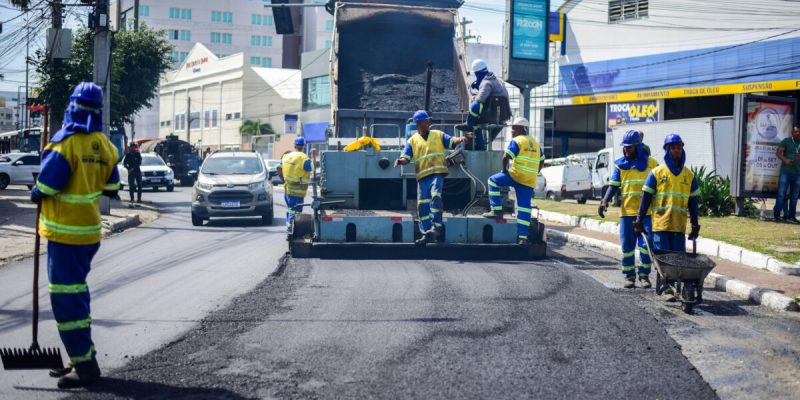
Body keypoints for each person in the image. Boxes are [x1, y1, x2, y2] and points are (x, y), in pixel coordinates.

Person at [30, 82, 120, 388]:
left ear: (72, 105)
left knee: (67, 303)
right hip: (89, 234)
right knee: (77, 296)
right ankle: (82, 355)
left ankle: (84, 366)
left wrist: (36, 190)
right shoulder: (106, 145)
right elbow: (112, 188)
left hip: (63, 234)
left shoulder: (64, 143)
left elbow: (46, 187)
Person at [634, 134, 700, 295]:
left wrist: (695, 224)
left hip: (679, 226)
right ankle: (666, 288)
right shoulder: (656, 173)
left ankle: (673, 287)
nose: (677, 150)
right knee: (663, 259)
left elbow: (693, 203)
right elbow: (646, 199)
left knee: (678, 260)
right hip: (660, 225)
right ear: (667, 150)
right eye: (673, 148)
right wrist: (639, 220)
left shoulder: (689, 176)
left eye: (679, 147)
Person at [396, 110, 468, 245]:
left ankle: (436, 227)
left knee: (436, 196)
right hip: (422, 176)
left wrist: (461, 139)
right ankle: (426, 233)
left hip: (437, 173)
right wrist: (401, 161)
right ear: (417, 124)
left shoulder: (438, 135)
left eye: (426, 121)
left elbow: (451, 141)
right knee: (422, 205)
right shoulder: (412, 140)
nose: (426, 124)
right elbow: (406, 156)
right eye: (422, 122)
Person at [598, 130, 658, 289]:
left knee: (646, 247)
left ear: (638, 146)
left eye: (630, 147)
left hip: (646, 214)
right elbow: (613, 186)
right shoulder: (620, 164)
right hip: (627, 214)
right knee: (627, 248)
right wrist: (604, 201)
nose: (626, 150)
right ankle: (629, 276)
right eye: (624, 147)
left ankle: (644, 275)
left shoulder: (652, 163)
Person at [482, 117, 543, 246]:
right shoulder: (536, 143)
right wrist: (536, 172)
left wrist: (504, 170)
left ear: (522, 128)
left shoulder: (517, 141)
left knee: (492, 181)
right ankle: (522, 238)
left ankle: (497, 210)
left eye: (514, 127)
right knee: (524, 209)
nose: (512, 130)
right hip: (529, 181)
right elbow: (542, 159)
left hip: (515, 176)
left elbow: (506, 157)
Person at [456, 59, 509, 150]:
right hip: (503, 114)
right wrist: (478, 85)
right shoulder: (497, 80)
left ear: (478, 73)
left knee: (475, 105)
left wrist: (475, 95)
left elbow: (481, 99)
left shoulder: (487, 83)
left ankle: (479, 143)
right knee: (477, 122)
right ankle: (479, 142)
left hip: (493, 114)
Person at [278, 137, 315, 241]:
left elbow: (279, 168)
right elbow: (311, 168)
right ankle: (291, 232)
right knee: (295, 213)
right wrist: (313, 157)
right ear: (303, 146)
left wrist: (283, 180)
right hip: (298, 191)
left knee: (290, 210)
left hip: (287, 190)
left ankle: (289, 230)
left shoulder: (286, 156)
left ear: (294, 146)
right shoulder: (304, 158)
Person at [774, 123, 800, 223]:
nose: (797, 133)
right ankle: (777, 215)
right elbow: (778, 153)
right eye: (795, 132)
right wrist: (785, 160)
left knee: (794, 196)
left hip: (798, 173)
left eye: (799, 132)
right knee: (781, 194)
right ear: (792, 133)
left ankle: (791, 217)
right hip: (786, 172)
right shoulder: (787, 141)